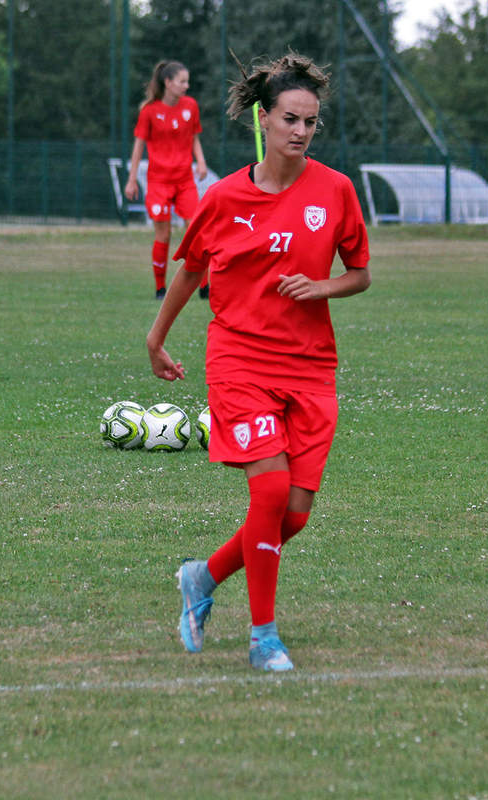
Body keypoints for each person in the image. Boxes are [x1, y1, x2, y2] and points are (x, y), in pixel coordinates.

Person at [145, 53, 372, 672]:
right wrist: (156, 338)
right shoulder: (222, 199)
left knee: (292, 516)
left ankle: (203, 576)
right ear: (262, 120)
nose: (300, 131)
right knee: (268, 489)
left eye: (311, 122)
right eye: (290, 119)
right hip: (240, 359)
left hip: (310, 368)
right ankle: (263, 636)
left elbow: (360, 274)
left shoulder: (336, 191)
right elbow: (191, 269)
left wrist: (321, 288)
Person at [124, 60, 210, 300]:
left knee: (197, 229)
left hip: (184, 181)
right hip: (159, 183)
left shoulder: (190, 106)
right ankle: (160, 288)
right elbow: (138, 145)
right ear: (168, 82)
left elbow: (194, 137)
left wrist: (200, 161)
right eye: (182, 81)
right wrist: (131, 180)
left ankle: (205, 286)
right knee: (164, 234)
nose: (187, 85)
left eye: (187, 81)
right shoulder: (149, 111)